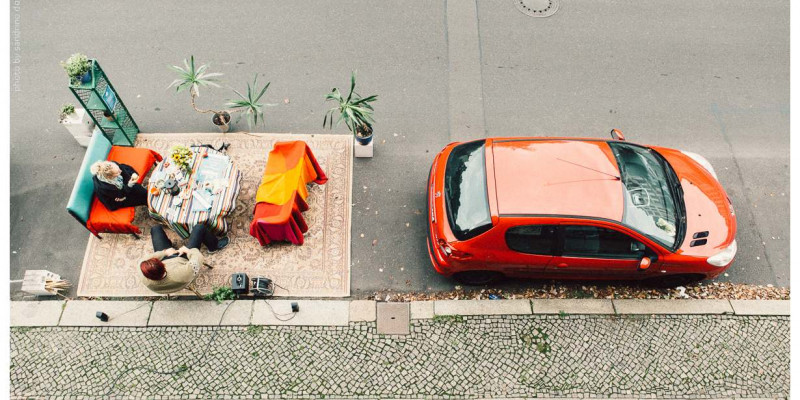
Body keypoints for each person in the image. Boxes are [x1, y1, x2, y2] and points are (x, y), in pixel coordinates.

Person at [138, 225, 230, 295]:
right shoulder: (182, 273)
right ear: (162, 265)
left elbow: (146, 259)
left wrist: (164, 252)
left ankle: (168, 245)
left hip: (166, 258)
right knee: (199, 228)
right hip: (182, 260)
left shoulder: (143, 272)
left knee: (155, 228)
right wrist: (188, 250)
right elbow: (198, 257)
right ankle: (214, 246)